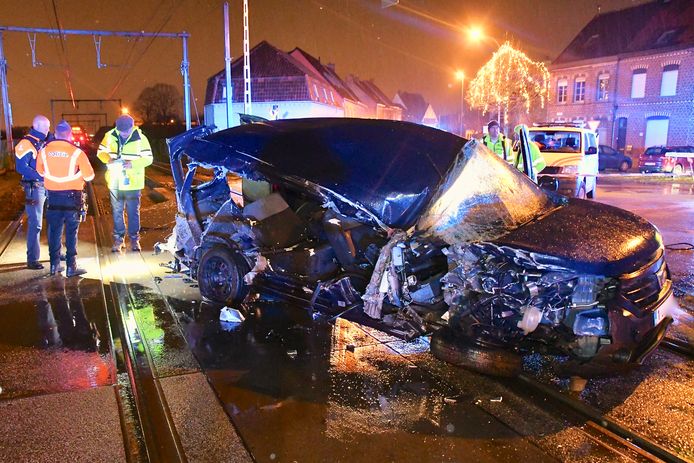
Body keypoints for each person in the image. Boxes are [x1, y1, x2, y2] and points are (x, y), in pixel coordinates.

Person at [36, 121, 94, 276]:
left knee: (54, 231)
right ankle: (71, 266)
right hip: (72, 198)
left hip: (53, 197)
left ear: (55, 134)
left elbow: (40, 171)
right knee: (71, 231)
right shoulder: (77, 152)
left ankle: (54, 265)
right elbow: (89, 176)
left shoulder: (44, 151)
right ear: (69, 135)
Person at [97, 115, 153, 252]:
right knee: (117, 211)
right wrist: (108, 160)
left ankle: (134, 239)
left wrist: (132, 164)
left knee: (133, 212)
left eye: (126, 131)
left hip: (133, 182)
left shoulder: (141, 139)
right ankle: (118, 239)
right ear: (117, 127)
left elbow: (149, 159)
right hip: (115, 181)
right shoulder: (109, 136)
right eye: (121, 131)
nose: (124, 133)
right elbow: (100, 152)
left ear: (132, 127)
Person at [14, 115, 51, 269]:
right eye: (46, 127)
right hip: (34, 188)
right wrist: (41, 176)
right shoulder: (25, 144)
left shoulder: (42, 142)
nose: (48, 130)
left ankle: (54, 252)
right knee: (36, 224)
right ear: (39, 127)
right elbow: (21, 168)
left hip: (47, 186)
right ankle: (32, 259)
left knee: (52, 221)